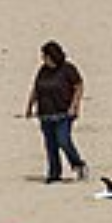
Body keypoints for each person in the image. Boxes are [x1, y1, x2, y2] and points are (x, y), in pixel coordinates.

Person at [24, 41, 86, 183]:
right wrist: (29, 106)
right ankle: (54, 173)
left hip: (63, 113)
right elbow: (36, 88)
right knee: (50, 145)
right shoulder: (43, 70)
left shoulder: (68, 69)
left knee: (63, 140)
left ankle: (78, 165)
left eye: (45, 56)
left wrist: (74, 105)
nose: (43, 59)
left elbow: (79, 86)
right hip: (45, 114)